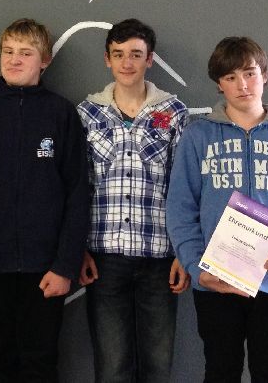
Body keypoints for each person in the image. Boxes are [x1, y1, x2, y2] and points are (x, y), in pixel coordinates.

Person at [166, 37, 268, 383]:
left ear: (264, 75)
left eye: (250, 73)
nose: (242, 85)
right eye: (230, 77)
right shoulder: (197, 138)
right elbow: (180, 209)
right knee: (220, 372)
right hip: (217, 281)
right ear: (219, 84)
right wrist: (196, 267)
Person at [0, 18, 89, 383]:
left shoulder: (61, 113)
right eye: (8, 51)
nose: (14, 60)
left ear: (44, 60)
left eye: (25, 53)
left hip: (45, 267)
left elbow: (77, 192)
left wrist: (65, 265)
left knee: (40, 362)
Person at [76, 19, 190, 382]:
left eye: (136, 55)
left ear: (149, 60)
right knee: (112, 368)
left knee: (157, 366)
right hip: (103, 259)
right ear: (107, 59)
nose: (127, 63)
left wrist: (183, 253)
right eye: (119, 54)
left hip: (160, 259)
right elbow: (78, 187)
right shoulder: (87, 114)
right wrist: (78, 249)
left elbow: (184, 188)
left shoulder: (174, 113)